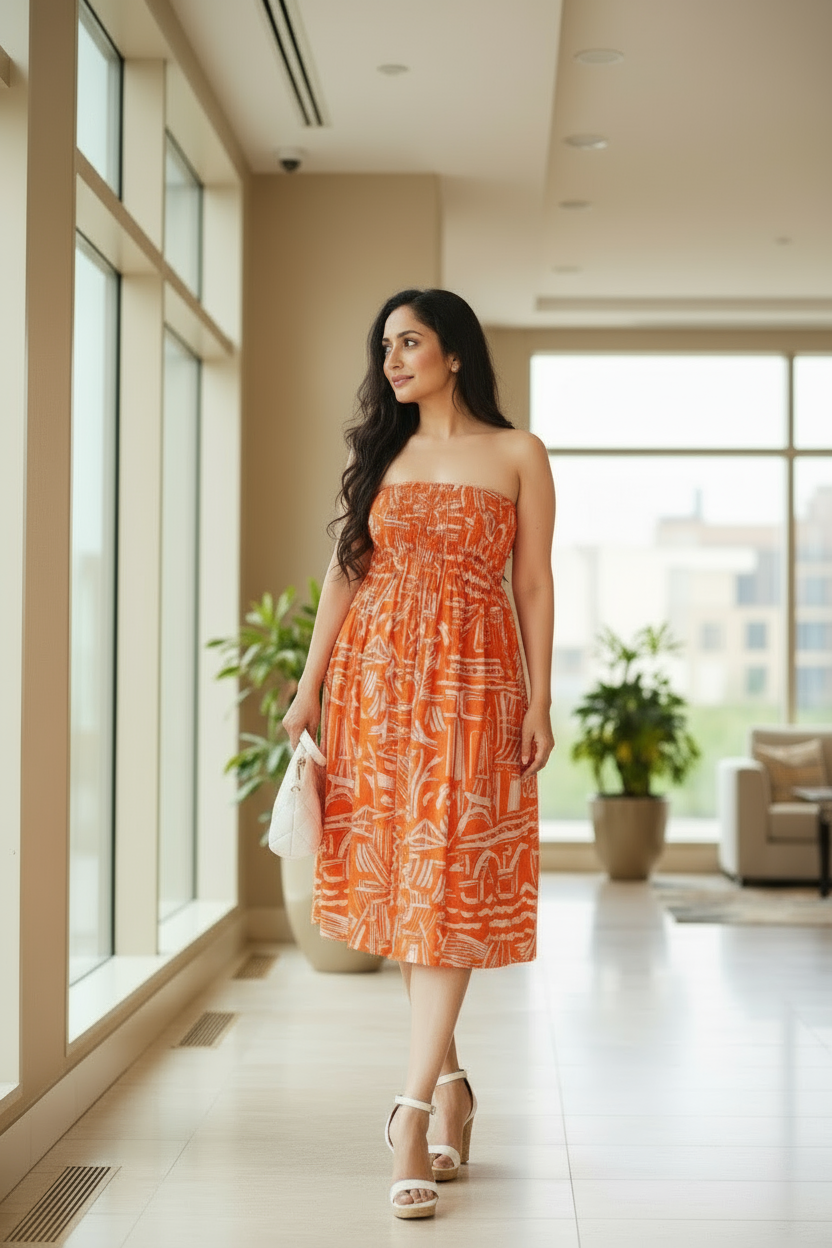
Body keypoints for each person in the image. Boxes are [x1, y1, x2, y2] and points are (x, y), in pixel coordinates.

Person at [283, 287, 555, 1220]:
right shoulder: (382, 454)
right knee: (411, 891)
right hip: (377, 687)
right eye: (386, 345)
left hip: (476, 686)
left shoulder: (518, 453)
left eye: (410, 342)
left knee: (445, 881)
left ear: (455, 351)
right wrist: (312, 685)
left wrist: (540, 699)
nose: (393, 359)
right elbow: (344, 572)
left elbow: (533, 580)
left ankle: (407, 1114)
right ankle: (452, 1089)